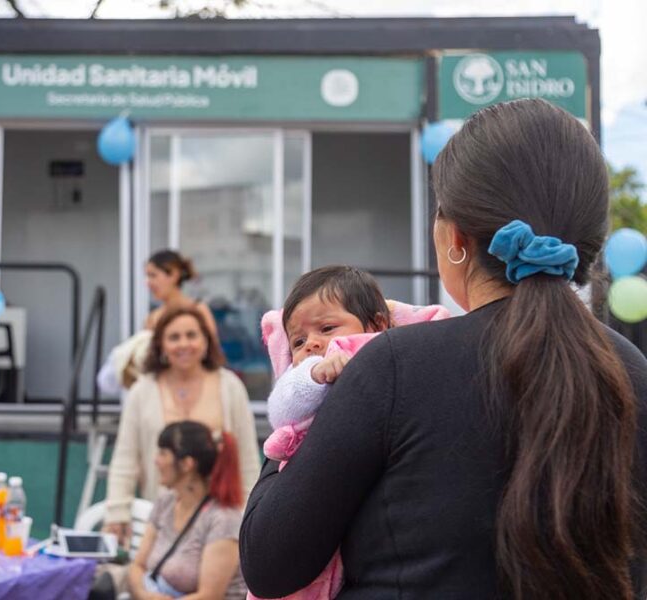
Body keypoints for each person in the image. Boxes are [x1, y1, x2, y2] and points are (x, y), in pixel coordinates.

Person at [240, 98, 647, 600]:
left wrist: (297, 392)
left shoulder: (392, 366)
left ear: (455, 238)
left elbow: (269, 562)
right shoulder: (630, 370)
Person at [251, 266, 449, 599]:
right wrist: (313, 377)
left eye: (327, 328)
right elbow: (281, 410)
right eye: (298, 341)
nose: (312, 344)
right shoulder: (307, 374)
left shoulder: (404, 367)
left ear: (378, 326)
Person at [103, 306, 260, 547]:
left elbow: (247, 458)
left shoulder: (230, 387)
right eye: (174, 337)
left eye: (191, 335)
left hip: (220, 523)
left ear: (206, 341)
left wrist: (250, 515)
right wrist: (117, 513)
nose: (183, 344)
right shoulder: (142, 391)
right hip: (160, 523)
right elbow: (125, 458)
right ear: (160, 345)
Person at [125, 421, 247, 599]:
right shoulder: (165, 503)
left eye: (163, 453)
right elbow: (138, 565)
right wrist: (145, 595)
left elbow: (209, 596)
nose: (156, 461)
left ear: (187, 464)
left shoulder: (223, 519)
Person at [97, 249, 218, 393]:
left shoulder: (198, 309)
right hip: (162, 389)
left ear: (173, 275)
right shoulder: (153, 318)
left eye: (153, 275)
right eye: (147, 276)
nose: (148, 283)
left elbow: (212, 351)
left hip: (197, 386)